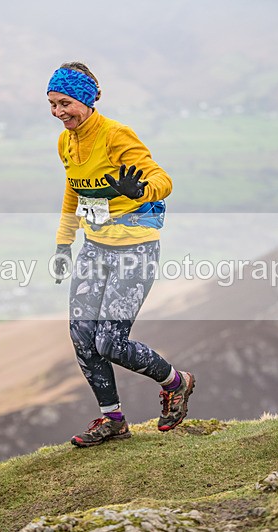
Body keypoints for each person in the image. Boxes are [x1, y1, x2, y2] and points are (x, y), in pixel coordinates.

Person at [47, 61, 195, 447]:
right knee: (81, 333)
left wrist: (138, 192)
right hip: (93, 247)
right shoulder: (66, 141)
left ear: (84, 99)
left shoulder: (116, 135)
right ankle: (112, 418)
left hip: (134, 249)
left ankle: (177, 383)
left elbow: (164, 180)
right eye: (51, 104)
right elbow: (72, 193)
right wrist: (64, 243)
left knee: (110, 341)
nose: (59, 112)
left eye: (65, 103)